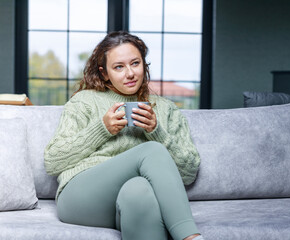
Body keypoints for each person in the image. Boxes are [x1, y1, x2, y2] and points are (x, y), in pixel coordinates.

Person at [44, 31, 204, 240]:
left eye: (135, 63)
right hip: (81, 197)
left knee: (139, 189)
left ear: (144, 65)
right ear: (104, 73)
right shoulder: (83, 102)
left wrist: (156, 132)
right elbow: (52, 161)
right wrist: (101, 129)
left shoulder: (166, 110)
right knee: (152, 151)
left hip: (129, 200)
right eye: (119, 67)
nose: (129, 73)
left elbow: (189, 172)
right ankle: (191, 237)